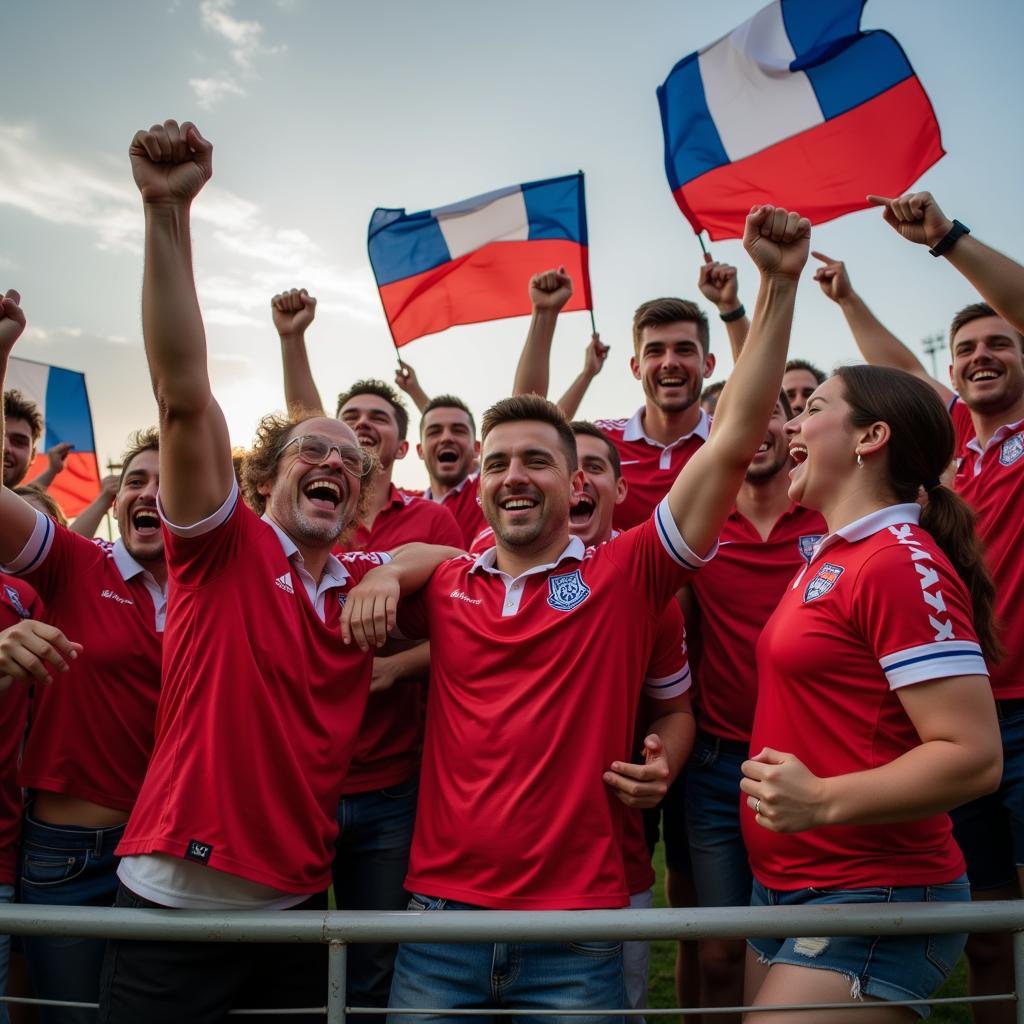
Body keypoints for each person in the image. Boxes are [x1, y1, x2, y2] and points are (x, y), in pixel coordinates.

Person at [385, 203, 811, 1022]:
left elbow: (731, 440)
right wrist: (392, 571)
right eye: (498, 461)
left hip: (578, 930)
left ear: (576, 484)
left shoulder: (625, 576)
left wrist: (776, 284)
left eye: (539, 462)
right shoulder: (443, 587)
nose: (515, 475)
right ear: (475, 486)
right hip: (439, 926)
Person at [99, 117, 456, 1023]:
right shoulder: (223, 547)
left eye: (352, 458)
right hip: (173, 900)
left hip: (299, 910)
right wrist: (167, 213)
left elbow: (461, 551)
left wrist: (393, 571)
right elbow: (183, 394)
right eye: (311, 449)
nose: (334, 460)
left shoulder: (357, 573)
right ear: (260, 478)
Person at [817, 192, 1024, 1024]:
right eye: (965, 347)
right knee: (981, 923)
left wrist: (945, 239)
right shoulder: (943, 446)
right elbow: (898, 373)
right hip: (947, 716)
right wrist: (848, 299)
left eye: (999, 342)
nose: (978, 356)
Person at [740, 363, 1001, 1021]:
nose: (792, 423)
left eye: (814, 407)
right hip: (784, 887)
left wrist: (824, 800)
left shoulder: (895, 560)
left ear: (871, 436)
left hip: (873, 893)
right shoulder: (835, 556)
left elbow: (973, 755)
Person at [274, 294, 464, 1013]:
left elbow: (467, 623)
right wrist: (293, 339)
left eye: (376, 419)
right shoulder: (307, 514)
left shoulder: (432, 517)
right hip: (299, 780)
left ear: (399, 444)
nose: (360, 427)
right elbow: (300, 425)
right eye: (348, 419)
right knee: (289, 962)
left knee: (376, 959)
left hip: (389, 783)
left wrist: (393, 666)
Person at [0, 290, 167, 1024]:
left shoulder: (232, 589)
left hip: (174, 864)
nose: (149, 494)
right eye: (135, 480)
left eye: (170, 483)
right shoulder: (76, 564)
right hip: (68, 855)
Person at [681, 392, 825, 1020]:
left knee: (805, 948)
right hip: (719, 767)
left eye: (775, 411)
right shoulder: (696, 530)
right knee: (719, 954)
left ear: (791, 428)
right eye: (743, 414)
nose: (760, 428)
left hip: (816, 768)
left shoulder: (828, 515)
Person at [2, 388, 72, 493]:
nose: (4, 447)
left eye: (18, 442)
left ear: (33, 455)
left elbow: (25, 502)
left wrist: (52, 470)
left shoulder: (19, 508)